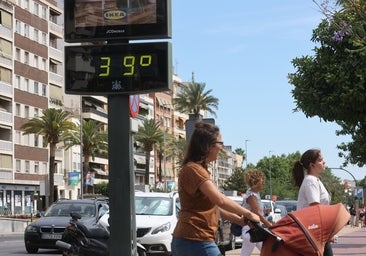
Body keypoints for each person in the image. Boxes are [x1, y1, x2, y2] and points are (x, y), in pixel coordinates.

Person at [171, 121, 260, 256]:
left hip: (193, 240)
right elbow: (220, 200)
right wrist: (249, 214)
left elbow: (214, 208)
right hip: (194, 240)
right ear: (207, 146)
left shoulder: (199, 169)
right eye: (220, 143)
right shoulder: (193, 170)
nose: (221, 148)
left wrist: (240, 221)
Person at [292, 148, 333, 256]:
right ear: (312, 165)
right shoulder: (311, 181)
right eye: (320, 160)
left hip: (315, 231)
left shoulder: (314, 180)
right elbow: (315, 208)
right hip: (313, 232)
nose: (324, 162)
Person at [240, 169, 273, 256]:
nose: (263, 183)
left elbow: (256, 211)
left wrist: (264, 212)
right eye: (262, 181)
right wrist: (269, 224)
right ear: (256, 182)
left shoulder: (254, 194)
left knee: (268, 252)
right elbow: (257, 213)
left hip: (255, 229)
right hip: (251, 230)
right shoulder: (251, 196)